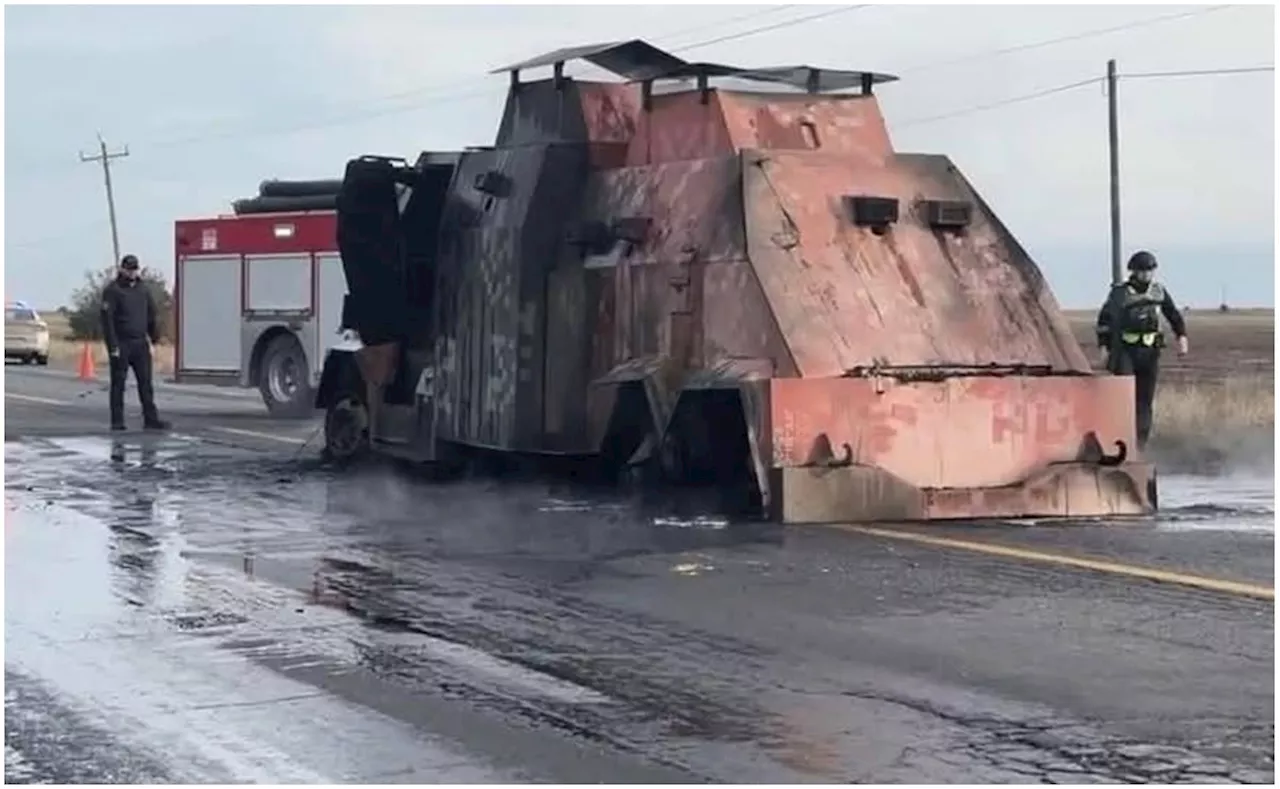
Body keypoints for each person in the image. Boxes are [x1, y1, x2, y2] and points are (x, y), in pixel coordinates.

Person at [1094, 249, 1188, 449]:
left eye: (1149, 270)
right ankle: (1119, 440)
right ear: (1133, 272)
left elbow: (1173, 315)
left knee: (1144, 401)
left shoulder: (1158, 291)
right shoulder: (1120, 293)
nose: (1146, 274)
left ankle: (1140, 445)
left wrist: (1181, 338)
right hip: (1126, 352)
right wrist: (1104, 347)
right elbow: (1104, 320)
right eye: (1141, 271)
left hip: (1150, 353)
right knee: (1124, 397)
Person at [100, 254, 170, 432]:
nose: (132, 273)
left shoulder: (143, 289)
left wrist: (153, 338)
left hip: (140, 343)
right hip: (122, 343)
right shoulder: (113, 291)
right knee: (118, 384)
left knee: (145, 383)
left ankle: (151, 419)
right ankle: (117, 421)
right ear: (122, 269)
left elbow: (151, 314)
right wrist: (113, 346)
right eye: (129, 269)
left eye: (134, 269)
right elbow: (107, 321)